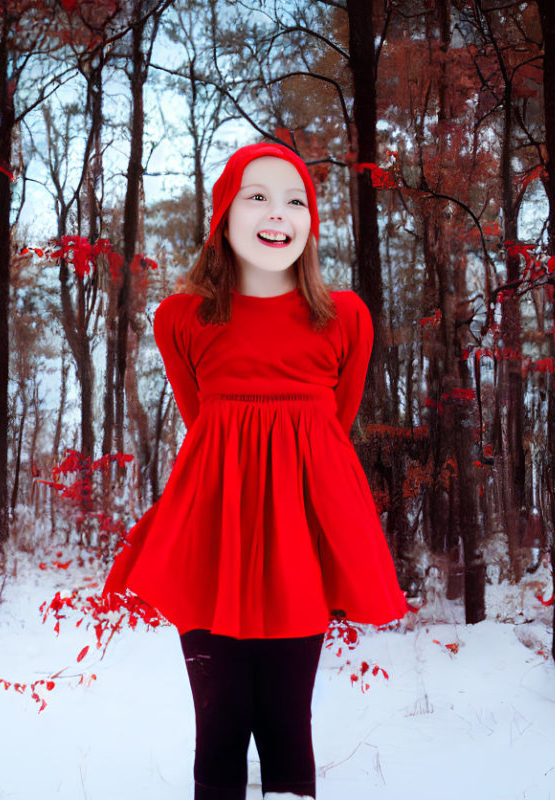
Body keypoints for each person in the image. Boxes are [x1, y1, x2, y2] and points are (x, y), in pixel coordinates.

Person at [103, 142, 409, 800]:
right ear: (224, 216)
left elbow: (333, 424)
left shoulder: (345, 318)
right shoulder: (182, 317)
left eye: (295, 199)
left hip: (299, 542)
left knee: (285, 723)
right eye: (259, 196)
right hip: (212, 535)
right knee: (219, 727)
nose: (278, 213)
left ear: (313, 221)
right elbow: (200, 418)